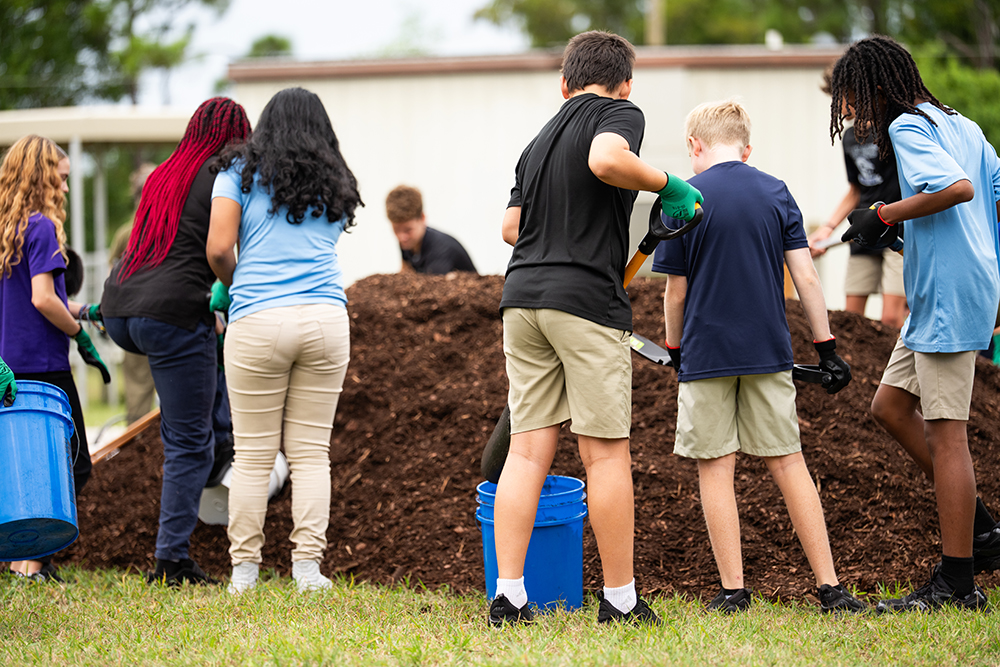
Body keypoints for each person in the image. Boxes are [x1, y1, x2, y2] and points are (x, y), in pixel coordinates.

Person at [490, 30, 703, 627]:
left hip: (523, 299)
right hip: (584, 302)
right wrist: (670, 183)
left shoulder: (536, 144)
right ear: (626, 82)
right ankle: (620, 601)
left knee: (528, 452)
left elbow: (511, 228)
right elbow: (607, 161)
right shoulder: (618, 112)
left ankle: (509, 596)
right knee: (604, 455)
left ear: (563, 84)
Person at [651, 99, 865, 615]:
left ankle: (733, 592)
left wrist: (675, 350)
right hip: (769, 351)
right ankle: (831, 588)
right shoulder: (775, 191)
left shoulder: (683, 198)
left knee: (715, 468)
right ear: (747, 149)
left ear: (694, 146)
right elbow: (807, 276)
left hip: (705, 354)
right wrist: (827, 348)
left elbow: (674, 294)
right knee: (789, 462)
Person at [831, 35, 1000, 612]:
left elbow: (959, 189)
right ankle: (979, 527)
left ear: (877, 87)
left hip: (950, 294)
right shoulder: (964, 126)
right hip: (942, 292)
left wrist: (883, 213)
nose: (851, 113)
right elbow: (994, 201)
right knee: (890, 408)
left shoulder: (906, 127)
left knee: (946, 435)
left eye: (853, 99)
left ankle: (959, 582)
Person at [207, 87, 360, 594]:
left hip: (257, 321)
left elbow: (218, 247)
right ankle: (307, 571)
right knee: (312, 453)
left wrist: (233, 283)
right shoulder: (336, 179)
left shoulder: (236, 174)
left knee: (252, 455)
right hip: (325, 319)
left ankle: (245, 573)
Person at [100, 97, 251, 586]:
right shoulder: (223, 173)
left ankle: (215, 449)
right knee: (190, 445)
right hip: (171, 314)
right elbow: (219, 248)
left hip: (122, 308)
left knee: (193, 427)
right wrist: (228, 294)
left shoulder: (166, 171)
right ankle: (171, 560)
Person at [0, 134, 111, 581]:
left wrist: (81, 309)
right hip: (45, 368)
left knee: (15, 465)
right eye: (61, 180)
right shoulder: (42, 227)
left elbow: (24, 300)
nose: (65, 189)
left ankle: (14, 560)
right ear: (42, 176)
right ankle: (33, 563)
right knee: (73, 464)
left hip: (7, 368)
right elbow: (43, 298)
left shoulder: (7, 230)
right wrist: (78, 333)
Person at [808, 68, 907, 329]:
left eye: (841, 99)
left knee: (891, 319)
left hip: (897, 229)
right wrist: (827, 229)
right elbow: (855, 191)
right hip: (863, 228)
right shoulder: (849, 137)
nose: (839, 108)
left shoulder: (894, 128)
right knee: (853, 321)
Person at [107, 163, 158, 425]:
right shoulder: (173, 227)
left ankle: (140, 451)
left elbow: (112, 278)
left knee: (138, 402)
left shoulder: (125, 233)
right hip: (167, 318)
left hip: (133, 320)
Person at [385, 184, 476, 274]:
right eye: (396, 229)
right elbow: (404, 273)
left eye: (408, 230)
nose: (401, 237)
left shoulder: (441, 251)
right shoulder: (408, 241)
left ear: (422, 218)